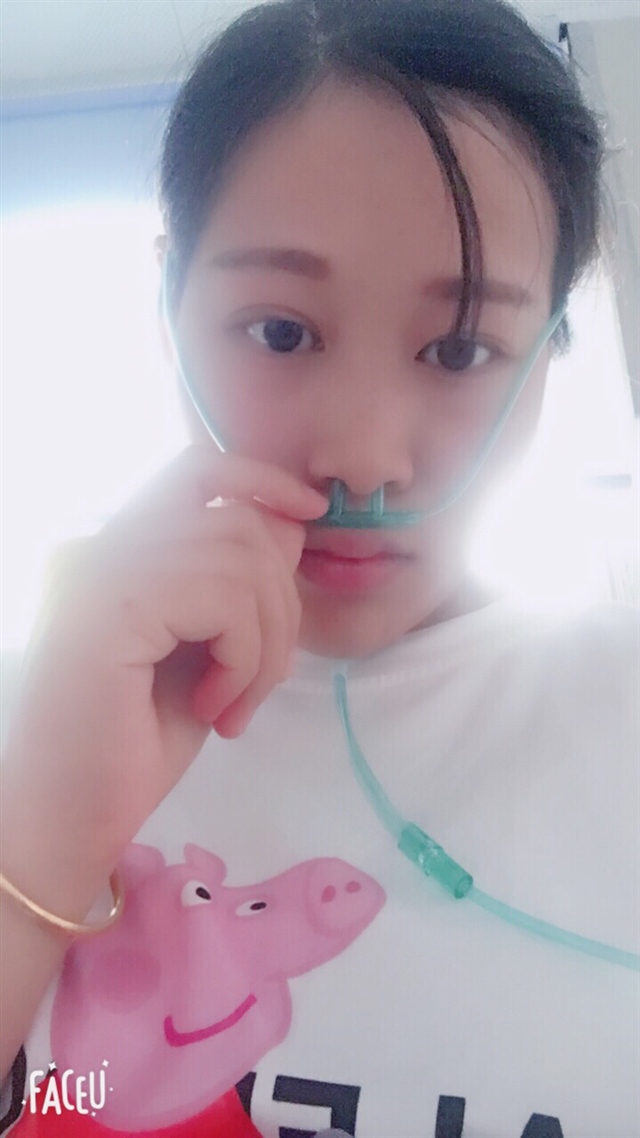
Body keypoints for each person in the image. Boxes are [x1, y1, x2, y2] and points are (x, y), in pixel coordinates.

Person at [0, 0, 638, 1135]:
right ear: (169, 306)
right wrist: (39, 835)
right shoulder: (35, 708)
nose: (362, 456)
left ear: (553, 348)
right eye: (281, 332)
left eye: (459, 349)